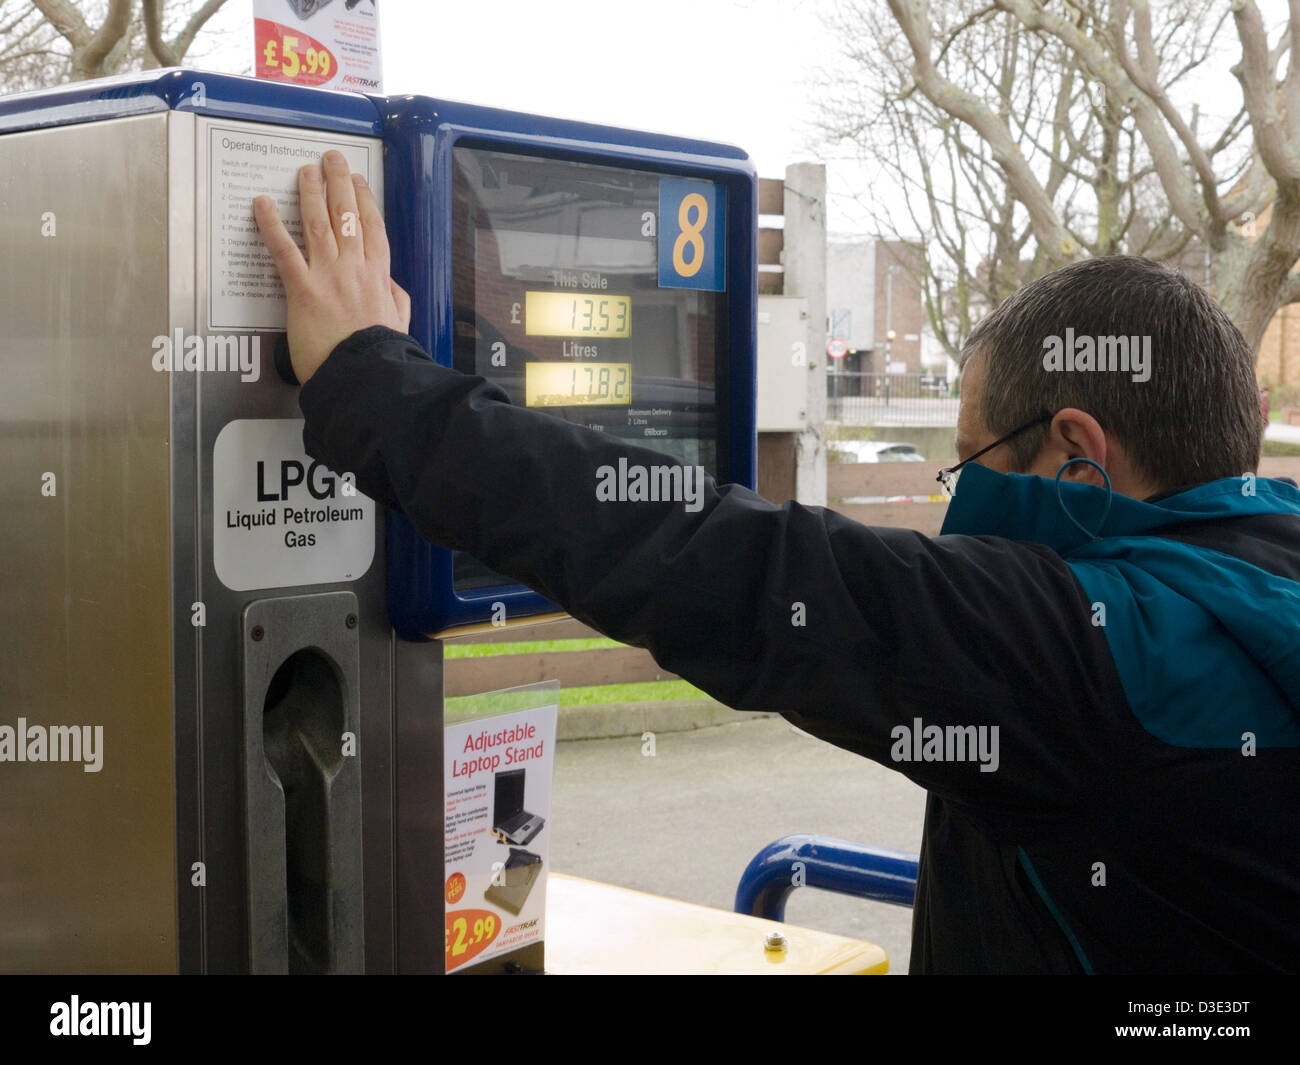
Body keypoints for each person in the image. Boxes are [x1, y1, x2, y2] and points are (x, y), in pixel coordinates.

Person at [253, 151, 1300, 974]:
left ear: (1076, 453)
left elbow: (725, 566)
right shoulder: (1265, 584)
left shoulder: (1102, 654)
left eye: (974, 457)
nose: (960, 499)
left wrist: (368, 384)